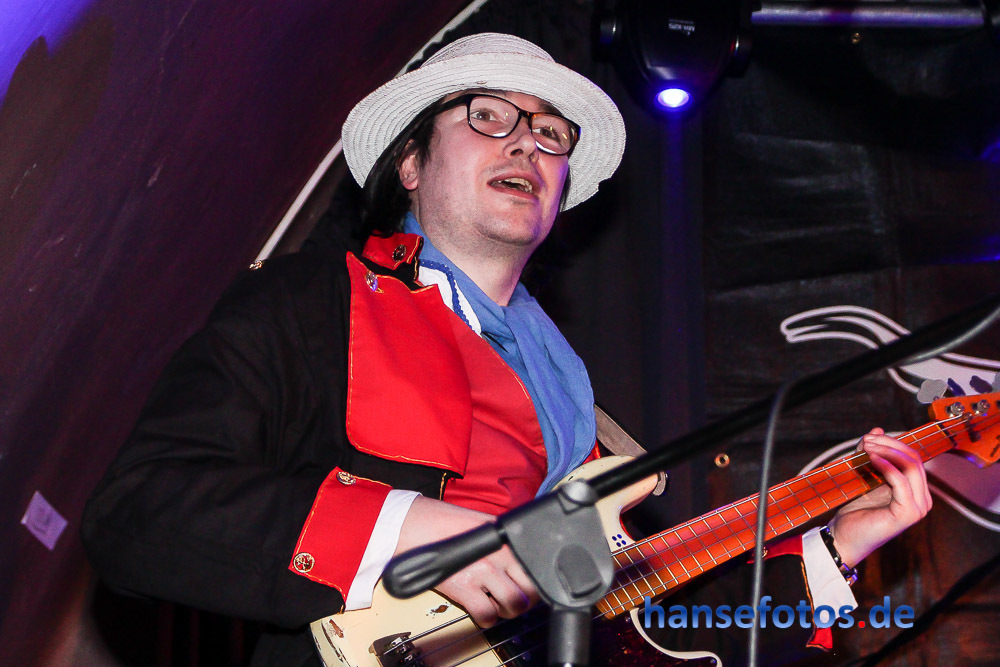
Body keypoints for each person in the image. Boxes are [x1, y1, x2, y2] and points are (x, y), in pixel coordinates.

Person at [82, 33, 931, 665]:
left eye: (552, 133)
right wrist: (406, 527)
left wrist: (830, 547)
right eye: (488, 117)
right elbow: (139, 510)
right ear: (409, 163)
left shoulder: (574, 405)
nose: (528, 141)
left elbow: (648, 627)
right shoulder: (311, 303)